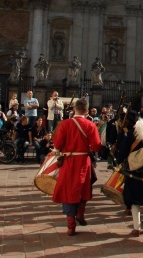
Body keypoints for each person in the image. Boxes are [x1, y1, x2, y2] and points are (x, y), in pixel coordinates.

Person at [51, 98, 102, 236]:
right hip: (83, 160)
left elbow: (57, 144)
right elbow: (97, 145)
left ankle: (70, 226)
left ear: (74, 109)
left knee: (68, 190)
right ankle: (80, 213)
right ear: (86, 111)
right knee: (84, 188)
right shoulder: (90, 125)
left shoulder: (65, 124)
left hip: (68, 160)